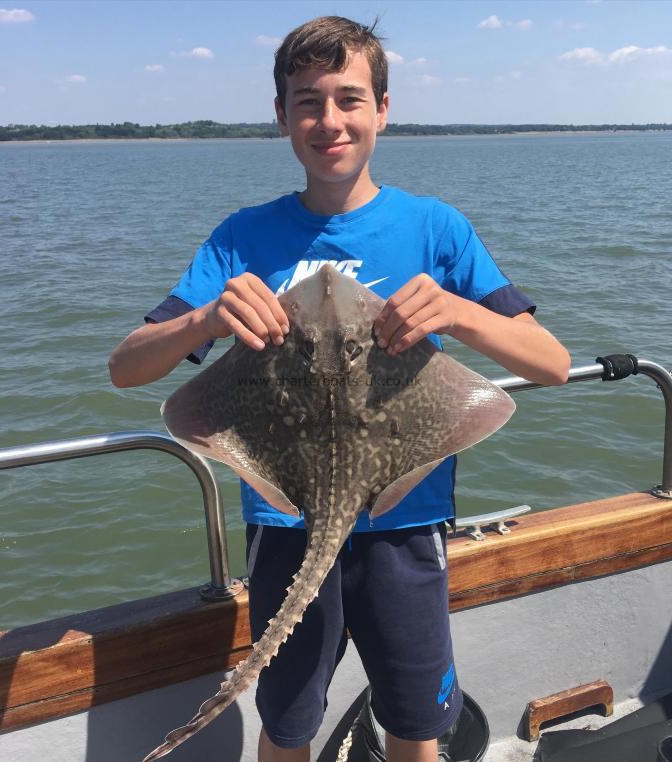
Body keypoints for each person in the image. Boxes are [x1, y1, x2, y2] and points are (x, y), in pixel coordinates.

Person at [109, 15, 570, 762]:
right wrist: (206, 317)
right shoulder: (241, 237)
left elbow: (550, 361)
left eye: (350, 99)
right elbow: (127, 367)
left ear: (383, 109)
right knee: (288, 726)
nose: (330, 121)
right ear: (282, 117)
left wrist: (456, 311)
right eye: (308, 102)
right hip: (285, 524)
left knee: (418, 725)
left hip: (406, 525)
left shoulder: (436, 228)